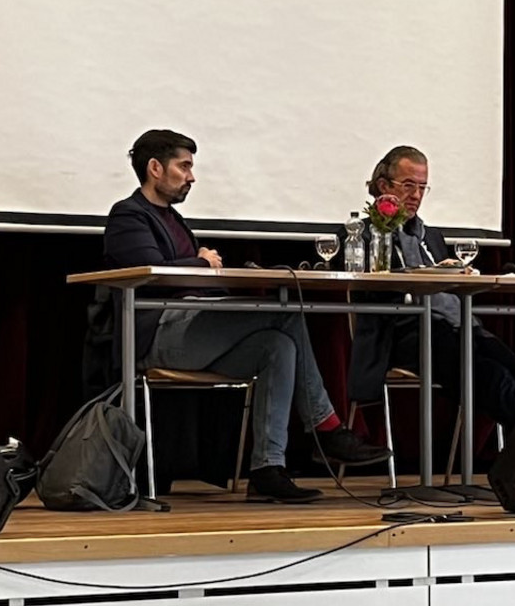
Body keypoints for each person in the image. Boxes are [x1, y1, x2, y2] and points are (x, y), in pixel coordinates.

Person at [103, 129, 390, 504]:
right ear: (155, 168)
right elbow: (150, 270)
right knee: (286, 316)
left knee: (278, 346)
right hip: (159, 334)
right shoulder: (128, 214)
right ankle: (327, 428)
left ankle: (267, 469)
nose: (191, 176)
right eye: (184, 166)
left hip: (192, 330)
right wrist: (201, 261)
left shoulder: (173, 219)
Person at [346, 146, 515, 433]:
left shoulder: (431, 236)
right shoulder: (363, 235)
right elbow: (371, 291)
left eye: (421, 187)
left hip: (459, 327)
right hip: (405, 332)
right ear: (383, 186)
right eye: (407, 186)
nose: (415, 195)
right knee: (491, 377)